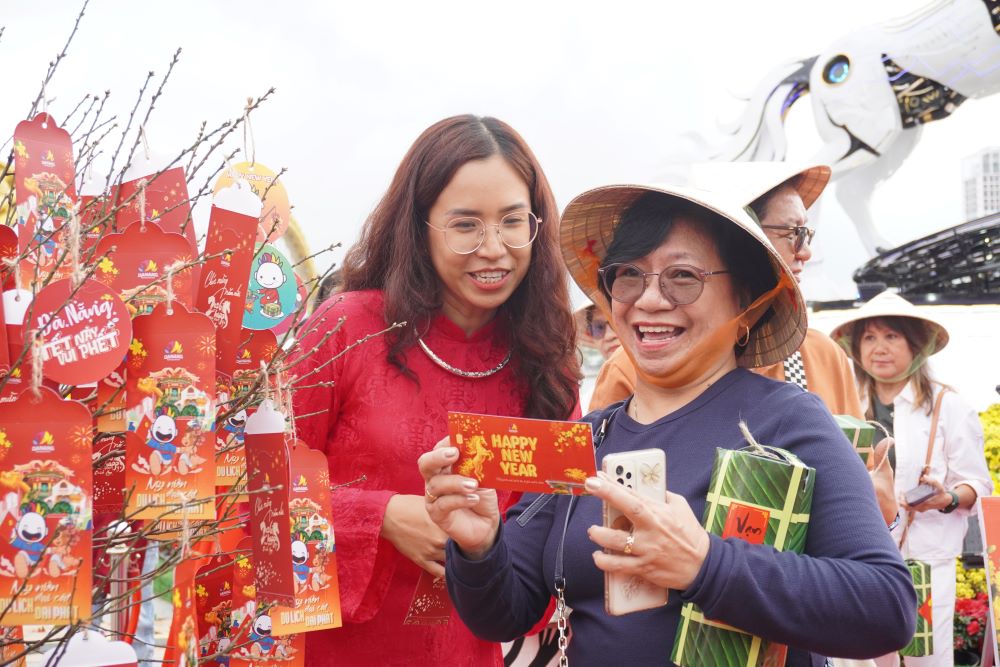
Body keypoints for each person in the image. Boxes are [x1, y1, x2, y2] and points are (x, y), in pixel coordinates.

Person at [420, 183, 916, 664]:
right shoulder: (583, 441)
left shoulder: (788, 419)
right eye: (629, 275)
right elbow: (504, 614)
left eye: (683, 277)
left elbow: (887, 607)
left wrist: (705, 564)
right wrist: (479, 544)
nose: (650, 300)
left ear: (746, 302)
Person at [292, 115, 580, 666]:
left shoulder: (548, 364)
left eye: (513, 222)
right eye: (465, 225)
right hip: (324, 647)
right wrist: (379, 516)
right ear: (419, 226)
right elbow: (253, 487)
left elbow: (553, 536)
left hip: (464, 651)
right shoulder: (346, 328)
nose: (494, 248)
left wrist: (486, 548)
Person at [589, 163, 863, 419]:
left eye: (682, 275)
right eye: (792, 233)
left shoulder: (821, 357)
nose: (805, 252)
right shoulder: (626, 371)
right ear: (745, 241)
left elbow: (858, 460)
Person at [831, 291, 993, 667]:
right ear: (856, 348)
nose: (879, 348)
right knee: (857, 657)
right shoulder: (845, 404)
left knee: (927, 658)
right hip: (857, 557)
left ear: (915, 345)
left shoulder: (948, 405)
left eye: (892, 336)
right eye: (869, 338)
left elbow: (977, 485)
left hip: (925, 558)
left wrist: (948, 498)